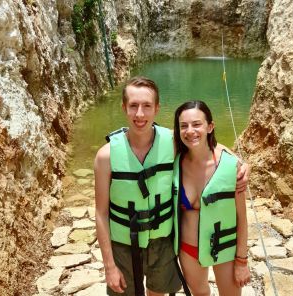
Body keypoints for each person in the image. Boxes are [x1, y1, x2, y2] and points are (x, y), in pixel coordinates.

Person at [94, 77, 249, 296]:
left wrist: (240, 163)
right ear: (124, 107)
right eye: (133, 106)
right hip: (124, 244)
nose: (140, 114)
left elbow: (205, 143)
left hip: (162, 243)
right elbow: (100, 213)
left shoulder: (172, 141)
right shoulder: (105, 156)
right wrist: (109, 266)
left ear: (157, 108)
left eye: (147, 106)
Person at [172, 100, 251, 296]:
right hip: (187, 248)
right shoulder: (174, 160)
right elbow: (146, 132)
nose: (190, 131)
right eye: (184, 126)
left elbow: (242, 218)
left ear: (210, 126)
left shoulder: (230, 166)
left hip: (224, 247)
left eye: (197, 124)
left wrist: (242, 261)